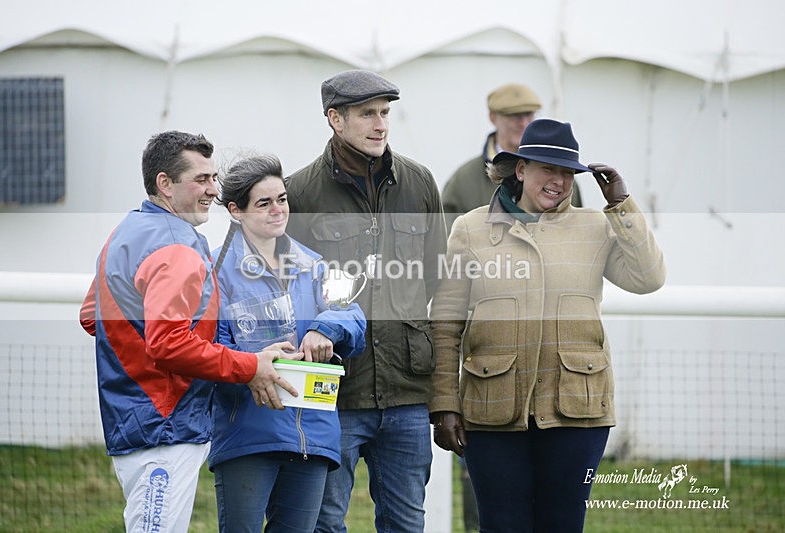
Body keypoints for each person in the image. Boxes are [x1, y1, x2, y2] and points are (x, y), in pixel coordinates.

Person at [429, 118, 666, 532]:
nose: (558, 181)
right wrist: (445, 405)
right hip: (491, 410)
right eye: (547, 169)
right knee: (502, 525)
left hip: (578, 411)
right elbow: (445, 323)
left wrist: (621, 204)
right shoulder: (470, 229)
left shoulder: (596, 225)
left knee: (563, 524)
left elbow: (648, 279)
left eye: (567, 173)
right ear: (520, 169)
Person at [79, 131, 299, 532]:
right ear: (165, 183)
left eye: (213, 178)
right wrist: (248, 365)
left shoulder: (127, 230)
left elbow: (93, 316)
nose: (213, 190)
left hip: (134, 418)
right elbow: (167, 342)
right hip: (165, 426)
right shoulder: (178, 243)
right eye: (201, 179)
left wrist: (142, 354)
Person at [285, 70, 447, 533]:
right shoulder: (298, 193)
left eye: (385, 113)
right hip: (333, 390)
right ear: (335, 119)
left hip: (407, 391)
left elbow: (434, 275)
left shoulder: (419, 183)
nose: (381, 125)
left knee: (404, 522)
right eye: (367, 114)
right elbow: (290, 290)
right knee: (324, 521)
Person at [208, 153, 366, 532]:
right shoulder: (213, 271)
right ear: (236, 211)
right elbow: (209, 347)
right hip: (249, 435)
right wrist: (253, 361)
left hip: (312, 435)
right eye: (264, 203)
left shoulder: (316, 266)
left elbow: (354, 315)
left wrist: (325, 328)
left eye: (282, 199)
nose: (278, 210)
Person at [442, 83, 581, 230]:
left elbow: (578, 234)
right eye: (514, 115)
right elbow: (446, 240)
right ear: (492, 117)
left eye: (529, 114)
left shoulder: (562, 180)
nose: (524, 123)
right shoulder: (464, 179)